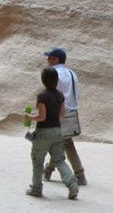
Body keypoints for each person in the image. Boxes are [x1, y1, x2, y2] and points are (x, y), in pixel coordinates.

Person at [23, 67, 79, 200]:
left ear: (43, 80)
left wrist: (29, 116)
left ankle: (36, 188)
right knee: (60, 160)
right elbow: (62, 115)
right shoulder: (60, 95)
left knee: (38, 160)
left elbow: (42, 117)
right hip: (57, 131)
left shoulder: (42, 96)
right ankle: (72, 184)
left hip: (43, 132)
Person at [42, 47, 87, 186]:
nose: (47, 59)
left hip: (59, 112)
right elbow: (77, 94)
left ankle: (79, 174)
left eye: (49, 57)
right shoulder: (72, 73)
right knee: (63, 142)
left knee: (63, 143)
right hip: (72, 111)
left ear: (55, 59)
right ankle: (49, 170)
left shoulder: (53, 73)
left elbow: (53, 94)